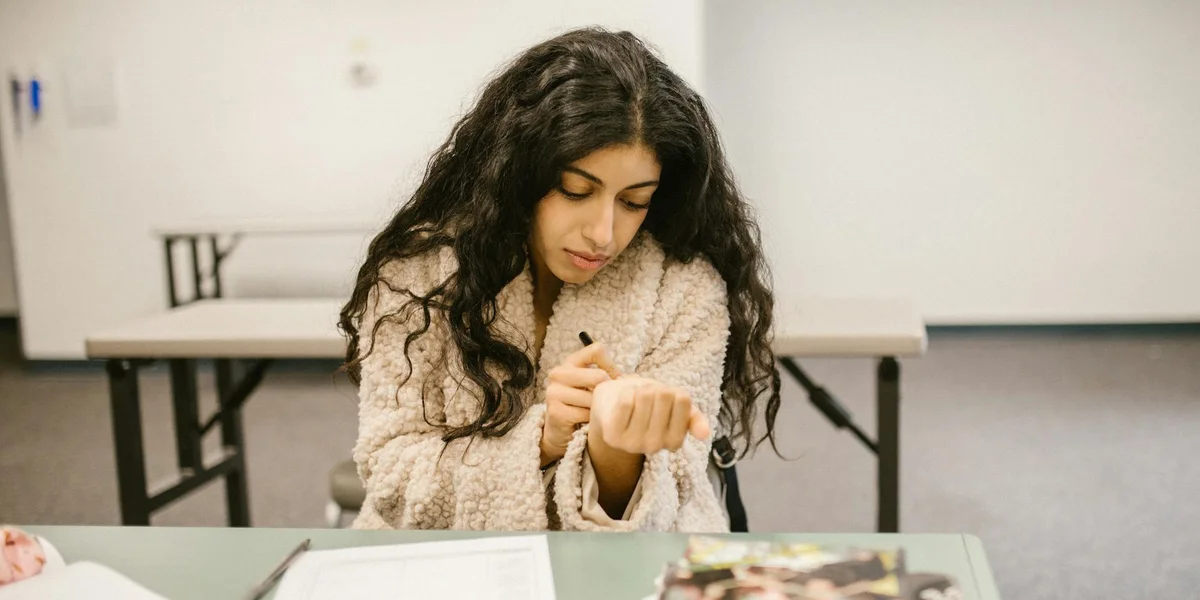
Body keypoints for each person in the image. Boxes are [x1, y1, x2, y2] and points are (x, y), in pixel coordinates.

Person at [339, 27, 780, 532]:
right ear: (519, 173)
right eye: (575, 190)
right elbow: (392, 479)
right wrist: (544, 439)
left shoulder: (684, 288)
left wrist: (614, 445)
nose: (603, 234)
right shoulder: (420, 272)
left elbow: (668, 500)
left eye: (635, 201)